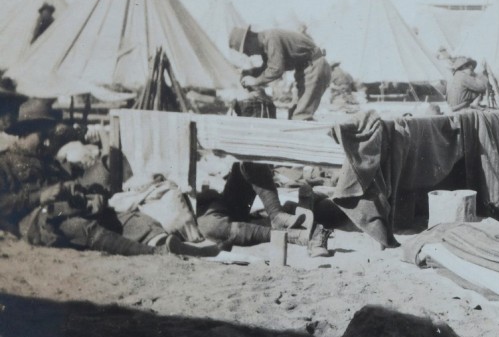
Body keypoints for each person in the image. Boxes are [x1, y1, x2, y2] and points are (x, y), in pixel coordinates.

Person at [0, 98, 215, 257]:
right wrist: (39, 196)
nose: (49, 142)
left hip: (65, 209)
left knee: (114, 214)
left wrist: (89, 196)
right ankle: (152, 253)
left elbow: (69, 188)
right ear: (24, 132)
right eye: (43, 136)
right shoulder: (5, 163)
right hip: (36, 221)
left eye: (50, 135)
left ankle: (167, 243)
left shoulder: (47, 159)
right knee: (77, 225)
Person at [196, 90, 333, 257]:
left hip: (222, 204)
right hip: (208, 216)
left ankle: (277, 214)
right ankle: (294, 235)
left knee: (250, 158)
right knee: (213, 227)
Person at [228, 25, 331, 120]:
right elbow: (268, 67)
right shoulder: (266, 44)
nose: (249, 55)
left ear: (250, 40)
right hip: (307, 69)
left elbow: (276, 69)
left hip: (314, 67)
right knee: (294, 113)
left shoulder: (271, 39)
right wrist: (250, 73)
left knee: (301, 116)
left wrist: (255, 81)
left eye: (246, 50)